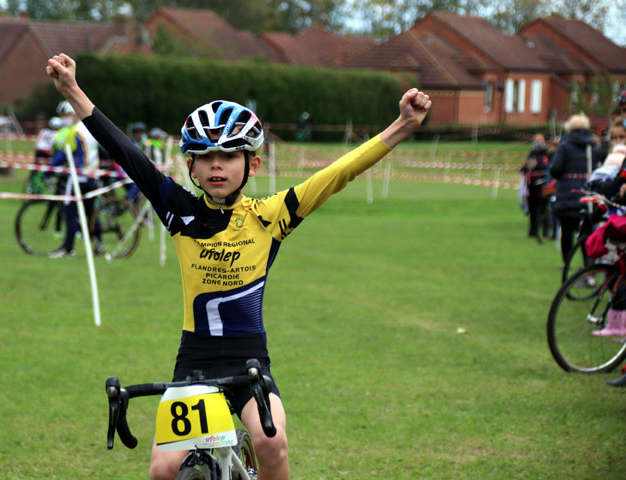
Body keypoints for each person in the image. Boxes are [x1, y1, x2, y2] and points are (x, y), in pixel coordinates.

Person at [46, 52, 431, 479]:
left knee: (272, 445)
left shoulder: (270, 215)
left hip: (250, 362)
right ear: (189, 165)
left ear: (253, 164)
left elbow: (339, 172)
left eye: (229, 156)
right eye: (205, 156)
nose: (216, 165)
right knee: (162, 470)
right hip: (194, 362)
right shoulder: (179, 211)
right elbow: (125, 151)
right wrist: (72, 91)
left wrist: (403, 125)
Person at [47, 100, 102, 258]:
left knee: (71, 213)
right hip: (93, 177)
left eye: (65, 115)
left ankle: (68, 248)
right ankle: (99, 246)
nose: (63, 118)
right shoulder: (89, 129)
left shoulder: (74, 131)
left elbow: (64, 154)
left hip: (78, 178)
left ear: (72, 114)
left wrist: (47, 170)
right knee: (91, 214)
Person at [550, 113, 595, 267]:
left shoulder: (565, 146)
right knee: (585, 232)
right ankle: (587, 264)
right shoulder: (592, 146)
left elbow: (555, 169)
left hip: (567, 194)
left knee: (567, 232)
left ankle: (566, 263)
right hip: (587, 194)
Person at [520, 133, 550, 242]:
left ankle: (545, 232)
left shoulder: (547, 153)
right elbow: (526, 168)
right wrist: (526, 166)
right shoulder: (531, 153)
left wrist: (536, 165)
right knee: (532, 209)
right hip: (531, 185)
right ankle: (532, 231)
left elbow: (548, 167)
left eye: (539, 140)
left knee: (543, 209)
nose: (537, 143)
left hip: (543, 184)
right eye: (536, 140)